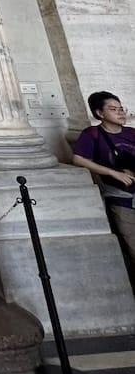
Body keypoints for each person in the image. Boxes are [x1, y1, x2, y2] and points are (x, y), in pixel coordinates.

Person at [73, 90, 135, 270]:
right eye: (113, 109)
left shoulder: (131, 133)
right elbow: (78, 159)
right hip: (121, 198)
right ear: (100, 113)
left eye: (121, 108)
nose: (120, 113)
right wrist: (113, 173)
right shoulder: (92, 134)